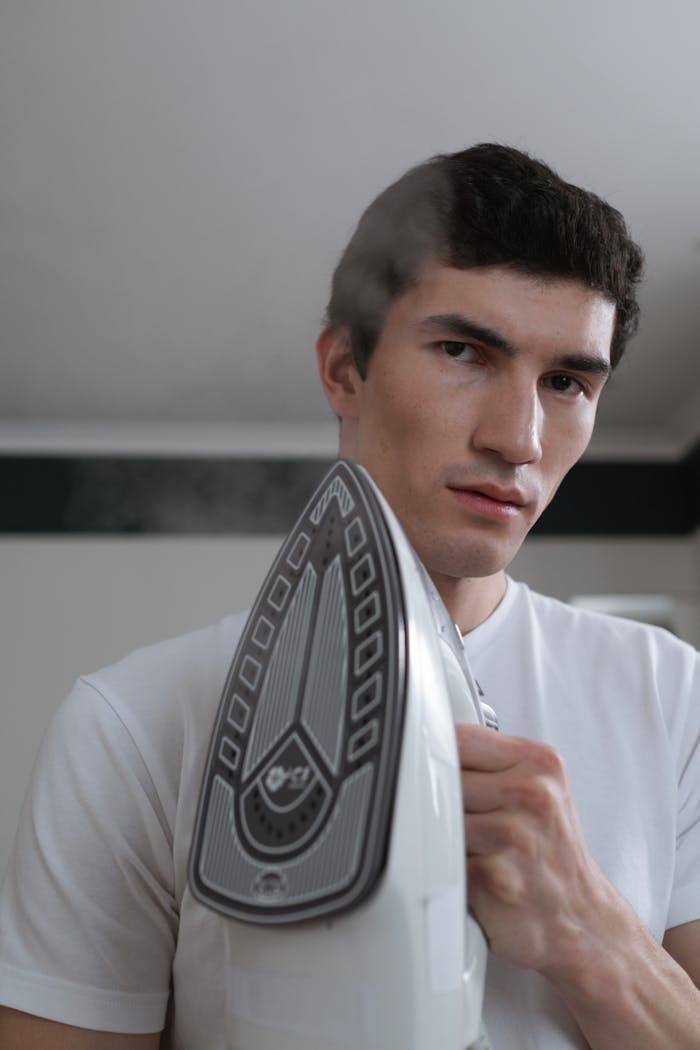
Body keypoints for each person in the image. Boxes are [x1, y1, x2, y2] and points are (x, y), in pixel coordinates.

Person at [0, 143, 698, 1049]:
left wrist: (588, 930)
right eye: (464, 350)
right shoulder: (133, 724)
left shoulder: (673, 695)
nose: (520, 439)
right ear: (344, 370)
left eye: (567, 381)